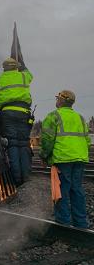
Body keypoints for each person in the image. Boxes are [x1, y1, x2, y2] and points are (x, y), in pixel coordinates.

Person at [40, 90, 90, 229]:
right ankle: (81, 223)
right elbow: (87, 140)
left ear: (62, 100)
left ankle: (63, 223)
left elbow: (47, 140)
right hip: (79, 158)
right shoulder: (80, 117)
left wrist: (44, 156)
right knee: (77, 190)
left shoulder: (53, 116)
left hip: (63, 159)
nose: (56, 100)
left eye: (57, 98)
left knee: (61, 191)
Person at [0, 57, 33, 186]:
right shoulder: (23, 76)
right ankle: (26, 177)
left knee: (12, 145)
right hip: (23, 111)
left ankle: (16, 179)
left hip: (7, 112)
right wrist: (22, 63)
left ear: (4, 68)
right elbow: (30, 74)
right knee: (23, 144)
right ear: (16, 66)